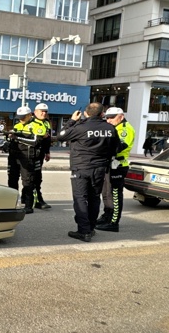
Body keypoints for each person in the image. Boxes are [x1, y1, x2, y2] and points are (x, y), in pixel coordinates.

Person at [56, 103, 119, 242]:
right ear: (102, 113)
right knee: (94, 198)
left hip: (81, 168)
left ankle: (84, 231)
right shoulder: (110, 128)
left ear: (85, 113)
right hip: (100, 169)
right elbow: (116, 148)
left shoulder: (80, 127)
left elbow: (60, 136)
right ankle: (90, 228)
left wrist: (72, 121)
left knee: (80, 198)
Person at [96, 107, 135, 233]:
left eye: (112, 117)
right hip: (109, 164)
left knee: (115, 195)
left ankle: (114, 222)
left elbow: (119, 147)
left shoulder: (125, 129)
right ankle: (107, 216)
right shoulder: (113, 127)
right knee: (106, 193)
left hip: (118, 165)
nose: (109, 120)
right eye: (107, 117)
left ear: (121, 116)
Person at [6, 106, 41, 214]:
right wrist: (8, 141)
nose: (20, 119)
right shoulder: (17, 125)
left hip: (27, 156)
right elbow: (14, 139)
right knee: (12, 180)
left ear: (30, 115)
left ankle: (28, 205)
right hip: (14, 156)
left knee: (27, 181)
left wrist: (18, 137)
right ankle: (12, 203)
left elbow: (35, 141)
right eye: (19, 117)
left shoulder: (37, 125)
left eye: (23, 117)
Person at [31, 103, 52, 209]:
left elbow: (48, 139)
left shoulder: (47, 123)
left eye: (45, 111)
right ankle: (36, 200)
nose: (44, 113)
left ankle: (34, 198)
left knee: (38, 177)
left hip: (41, 154)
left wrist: (47, 152)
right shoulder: (31, 122)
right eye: (41, 111)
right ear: (35, 112)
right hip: (32, 154)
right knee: (34, 177)